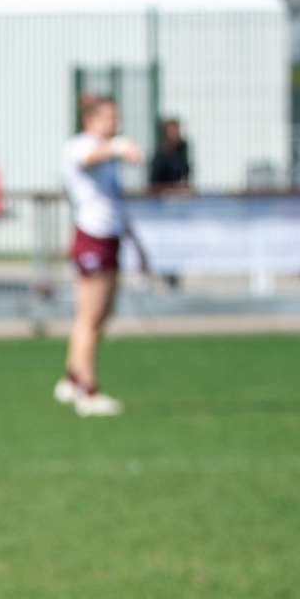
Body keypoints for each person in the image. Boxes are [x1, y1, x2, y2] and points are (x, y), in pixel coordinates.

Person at [56, 95, 144, 417]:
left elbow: (115, 203)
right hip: (92, 238)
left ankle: (70, 377)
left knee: (101, 316)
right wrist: (119, 146)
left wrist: (138, 246)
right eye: (109, 119)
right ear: (90, 121)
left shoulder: (107, 157)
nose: (115, 125)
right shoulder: (81, 146)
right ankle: (87, 390)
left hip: (110, 238)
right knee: (89, 319)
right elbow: (87, 158)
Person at [148, 117, 191, 191]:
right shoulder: (160, 157)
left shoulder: (182, 148)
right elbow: (154, 183)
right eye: (173, 131)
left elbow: (185, 172)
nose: (176, 134)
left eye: (177, 130)